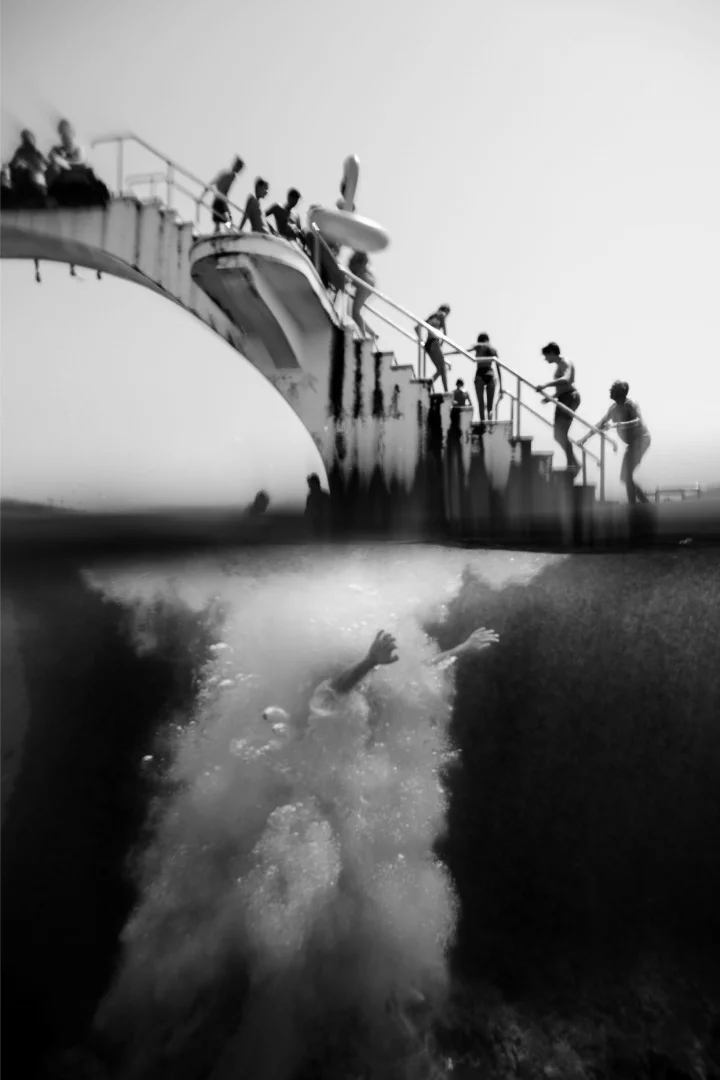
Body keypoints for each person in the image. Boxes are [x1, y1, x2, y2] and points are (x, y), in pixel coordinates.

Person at [577, 381, 651, 505]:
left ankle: (639, 504)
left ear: (620, 392)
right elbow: (600, 424)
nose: (610, 390)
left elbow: (639, 421)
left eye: (613, 389)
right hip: (632, 444)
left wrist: (618, 424)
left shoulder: (631, 405)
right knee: (624, 477)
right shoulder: (613, 408)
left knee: (626, 476)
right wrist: (584, 439)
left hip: (641, 440)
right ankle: (639, 504)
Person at [535, 342, 581, 475]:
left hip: (569, 397)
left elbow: (566, 380)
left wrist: (545, 385)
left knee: (560, 434)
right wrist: (550, 398)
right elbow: (562, 389)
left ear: (552, 353)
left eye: (546, 356)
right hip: (564, 397)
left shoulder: (565, 362)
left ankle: (573, 465)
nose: (545, 359)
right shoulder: (559, 365)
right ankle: (574, 463)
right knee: (559, 435)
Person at [466, 332, 503, 429]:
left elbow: (468, 350)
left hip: (480, 374)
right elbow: (499, 368)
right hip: (490, 374)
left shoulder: (479, 346)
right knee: (490, 405)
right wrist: (501, 387)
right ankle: (490, 420)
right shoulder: (493, 349)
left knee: (481, 403)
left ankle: (483, 423)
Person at [7, 130, 49, 206]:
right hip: (23, 176)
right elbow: (12, 165)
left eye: (29, 138)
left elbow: (45, 164)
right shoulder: (19, 151)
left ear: (33, 139)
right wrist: (18, 163)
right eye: (25, 138)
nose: (28, 141)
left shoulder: (36, 152)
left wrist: (37, 166)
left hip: (37, 176)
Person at [202, 156, 244, 233]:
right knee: (226, 220)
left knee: (221, 222)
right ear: (236, 166)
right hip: (219, 201)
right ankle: (228, 232)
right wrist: (202, 195)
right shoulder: (230, 175)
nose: (239, 171)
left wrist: (203, 194)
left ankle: (223, 233)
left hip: (220, 201)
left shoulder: (228, 174)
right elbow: (214, 183)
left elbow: (213, 183)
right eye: (239, 168)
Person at [416, 305, 451, 393]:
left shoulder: (431, 317)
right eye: (448, 313)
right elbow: (445, 334)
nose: (446, 315)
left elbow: (417, 328)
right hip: (435, 342)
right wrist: (441, 343)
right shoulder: (442, 315)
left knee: (440, 370)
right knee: (442, 368)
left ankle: (428, 384)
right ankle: (446, 391)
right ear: (445, 310)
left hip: (428, 344)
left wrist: (422, 341)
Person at [347, 250, 375, 338]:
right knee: (354, 313)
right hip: (366, 281)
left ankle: (363, 337)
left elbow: (360, 268)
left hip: (364, 281)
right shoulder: (359, 256)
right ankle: (371, 333)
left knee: (355, 312)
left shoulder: (360, 254)